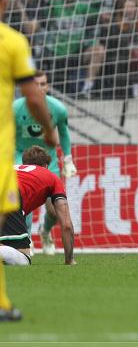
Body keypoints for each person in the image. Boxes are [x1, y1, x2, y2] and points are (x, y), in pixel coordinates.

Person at [0, 0, 58, 322]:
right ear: (5, 2)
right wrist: (49, 131)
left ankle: (3, 304)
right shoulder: (12, 42)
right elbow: (34, 96)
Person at [13, 70, 75, 256]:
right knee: (23, 199)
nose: (39, 88)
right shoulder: (15, 109)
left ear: (47, 86)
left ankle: (45, 232)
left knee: (54, 210)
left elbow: (63, 133)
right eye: (35, 84)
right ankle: (27, 239)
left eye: (43, 84)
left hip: (49, 159)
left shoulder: (57, 109)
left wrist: (68, 158)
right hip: (21, 155)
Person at [0, 146, 75, 266]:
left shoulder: (12, 168)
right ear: (46, 166)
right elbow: (66, 225)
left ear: (24, 163)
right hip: (9, 193)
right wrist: (69, 260)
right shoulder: (51, 177)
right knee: (23, 258)